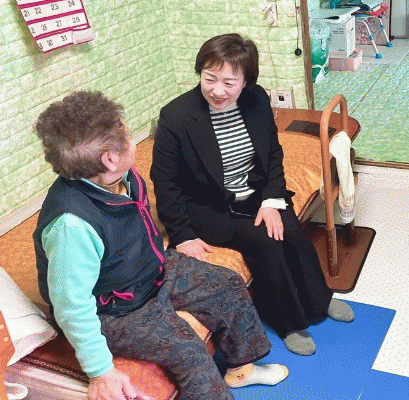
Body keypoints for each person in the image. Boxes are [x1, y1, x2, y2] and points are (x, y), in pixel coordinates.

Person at [33, 91, 288, 400]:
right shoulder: (71, 225)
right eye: (127, 132)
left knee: (228, 284)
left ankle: (241, 371)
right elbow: (71, 307)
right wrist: (100, 372)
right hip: (114, 309)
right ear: (110, 158)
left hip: (151, 269)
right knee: (189, 350)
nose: (132, 136)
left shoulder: (120, 176)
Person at [151, 33, 354, 357]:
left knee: (292, 232)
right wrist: (183, 236)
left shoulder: (257, 100)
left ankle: (320, 300)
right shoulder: (176, 116)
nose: (218, 90)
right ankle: (289, 323)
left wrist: (272, 200)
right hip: (210, 206)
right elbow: (165, 182)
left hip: (256, 192)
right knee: (265, 242)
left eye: (229, 82)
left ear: (246, 81)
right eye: (209, 79)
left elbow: (272, 154)